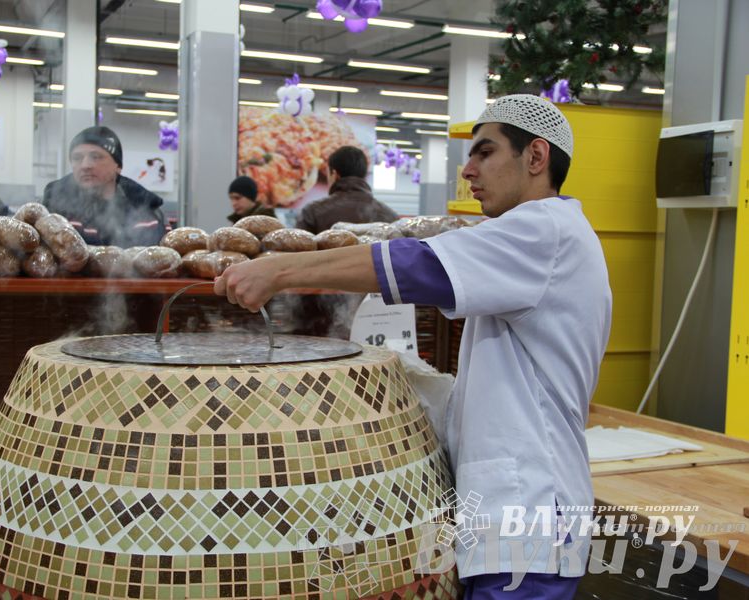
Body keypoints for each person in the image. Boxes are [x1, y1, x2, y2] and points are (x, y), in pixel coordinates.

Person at [215, 95, 611, 600]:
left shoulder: (544, 231)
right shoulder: (543, 235)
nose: (467, 170)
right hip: (513, 515)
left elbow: (414, 265)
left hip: (528, 516)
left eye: (484, 152)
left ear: (536, 157)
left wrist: (280, 270)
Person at [43, 126, 166, 247]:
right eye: (77, 158)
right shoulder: (52, 208)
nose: (85, 165)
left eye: (96, 157)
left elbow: (161, 260)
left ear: (117, 166)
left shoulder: (146, 214)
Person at [294, 145, 398, 234]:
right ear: (364, 175)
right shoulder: (391, 216)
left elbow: (298, 253)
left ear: (334, 175)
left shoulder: (312, 212)